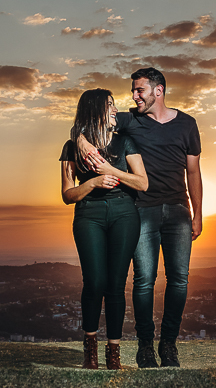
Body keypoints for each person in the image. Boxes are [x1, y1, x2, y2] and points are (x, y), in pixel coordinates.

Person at [80, 67, 202, 368]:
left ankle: (169, 345)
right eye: (133, 90)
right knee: (144, 280)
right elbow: (89, 121)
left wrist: (198, 214)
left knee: (179, 280)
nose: (133, 97)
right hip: (141, 210)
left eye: (139, 91)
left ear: (158, 91)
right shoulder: (130, 119)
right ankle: (145, 346)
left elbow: (194, 172)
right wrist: (81, 141)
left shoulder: (187, 124)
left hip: (178, 211)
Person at [60, 89, 148, 370]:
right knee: (94, 282)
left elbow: (142, 183)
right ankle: (90, 356)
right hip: (89, 215)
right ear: (95, 109)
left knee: (115, 286)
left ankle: (113, 356)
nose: (115, 109)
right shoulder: (73, 147)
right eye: (110, 105)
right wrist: (93, 183)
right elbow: (67, 195)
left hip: (124, 213)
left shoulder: (125, 142)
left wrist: (112, 171)